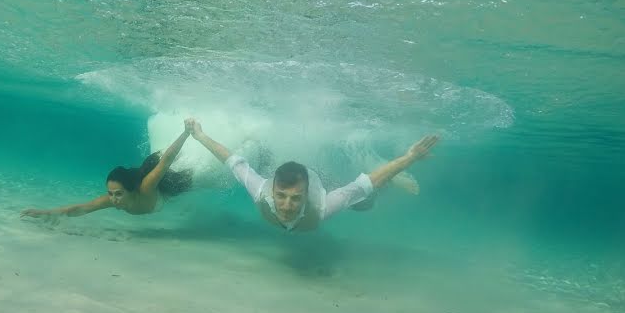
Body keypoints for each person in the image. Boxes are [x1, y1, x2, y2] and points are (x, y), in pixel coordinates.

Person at [187, 119, 439, 232]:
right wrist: (198, 135)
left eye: (295, 199)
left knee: (365, 202)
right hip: (298, 176)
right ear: (273, 190)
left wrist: (410, 158)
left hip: (320, 180)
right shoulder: (261, 190)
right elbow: (233, 161)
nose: (286, 206)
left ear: (305, 196)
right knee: (264, 161)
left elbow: (367, 182)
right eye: (281, 196)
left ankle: (392, 184)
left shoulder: (322, 206)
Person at [20, 119, 194, 219]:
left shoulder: (146, 187)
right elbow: (81, 209)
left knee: (194, 175)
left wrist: (186, 132)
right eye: (110, 193)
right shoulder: (111, 199)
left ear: (131, 190)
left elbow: (166, 161)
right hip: (159, 191)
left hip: (177, 184)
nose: (113, 199)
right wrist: (42, 213)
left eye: (118, 193)